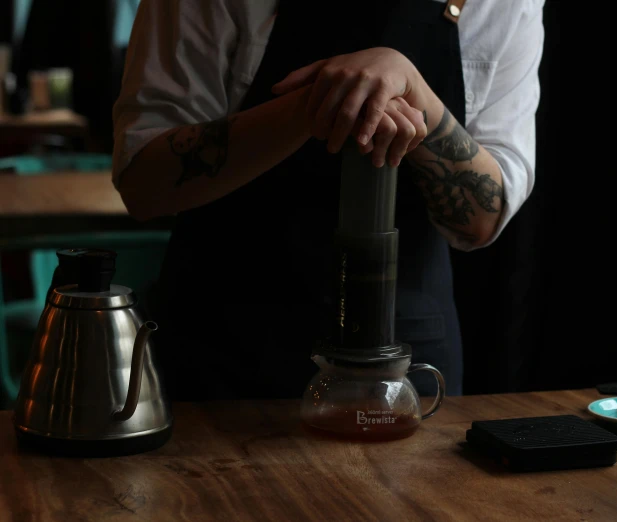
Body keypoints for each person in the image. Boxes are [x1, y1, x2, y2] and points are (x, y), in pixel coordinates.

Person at [112, 0, 544, 400]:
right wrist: (321, 101)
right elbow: (143, 185)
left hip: (405, 364)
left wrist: (414, 90)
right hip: (221, 347)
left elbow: (481, 222)